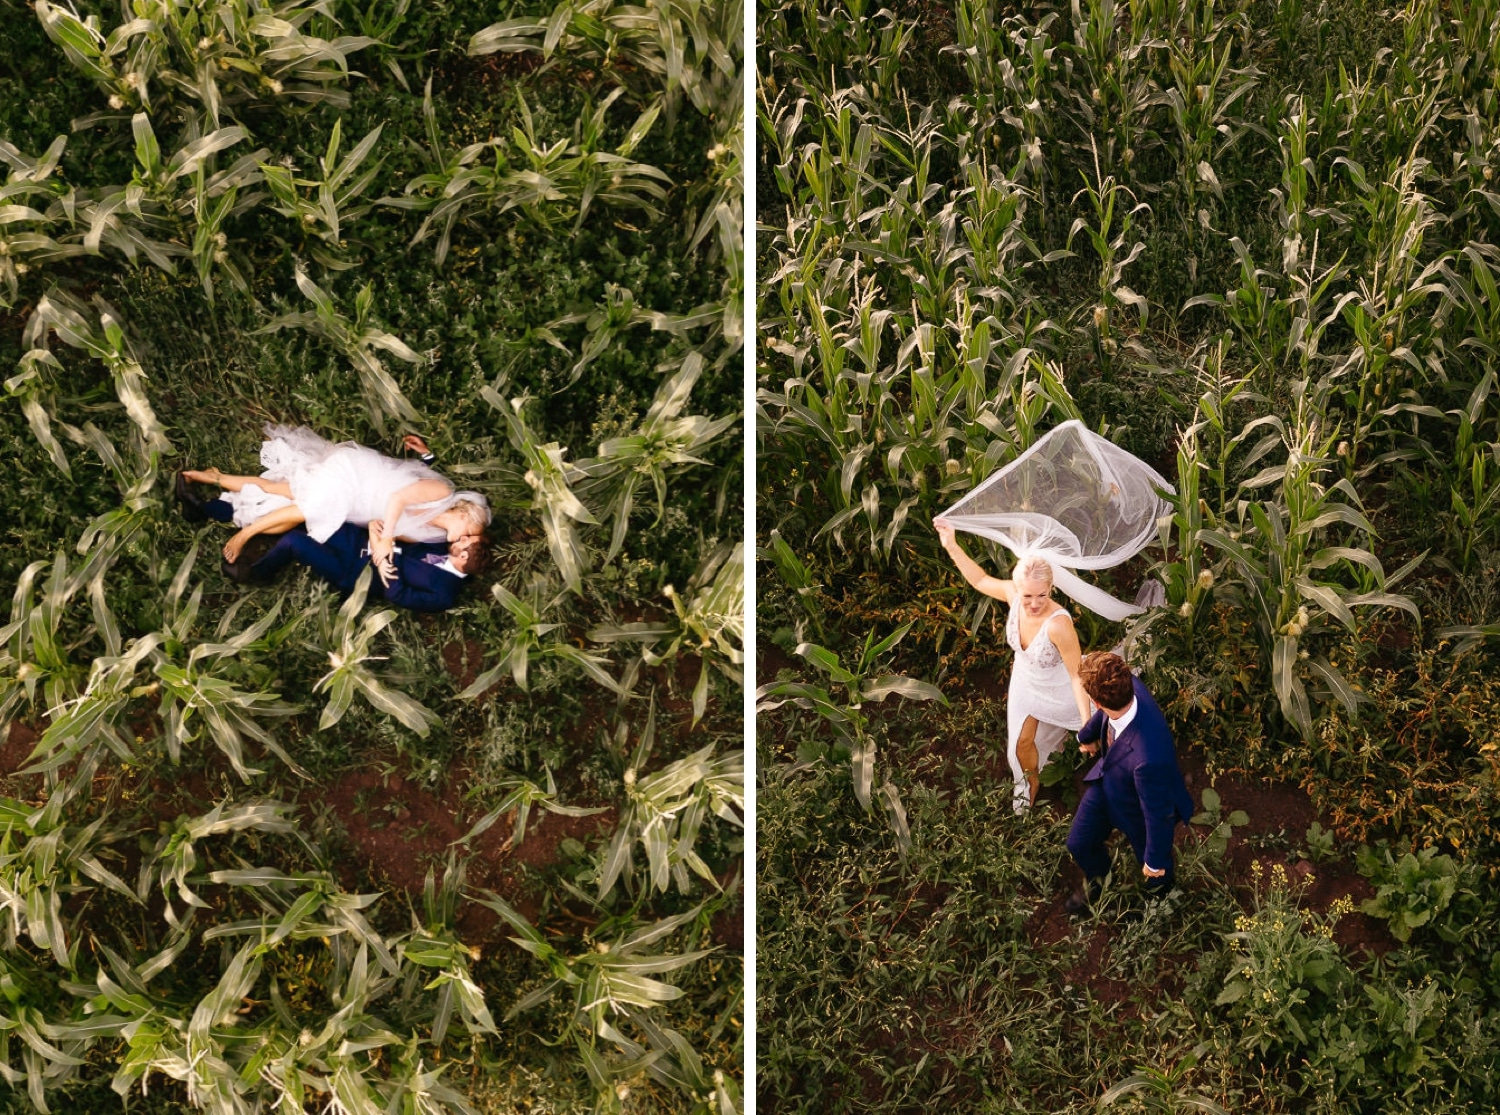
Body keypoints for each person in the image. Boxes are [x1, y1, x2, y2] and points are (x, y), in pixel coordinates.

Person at [175, 427, 490, 579]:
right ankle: (245, 534)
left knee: (281, 491)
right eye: (471, 530)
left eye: (469, 538)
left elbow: (376, 524)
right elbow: (398, 499)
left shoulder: (431, 536)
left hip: (357, 505)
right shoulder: (440, 493)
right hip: (356, 476)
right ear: (465, 512)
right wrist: (387, 538)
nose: (466, 537)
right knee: (308, 509)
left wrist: (381, 541)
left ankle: (202, 480)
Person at [935, 519, 1092, 813]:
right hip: (1024, 682)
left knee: (1096, 726)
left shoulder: (1058, 625)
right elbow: (981, 580)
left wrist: (1086, 721)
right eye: (1027, 596)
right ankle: (1030, 784)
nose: (1033, 604)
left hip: (1057, 685)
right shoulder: (1013, 597)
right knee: (1020, 745)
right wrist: (952, 546)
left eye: (1042, 595)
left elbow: (1076, 674)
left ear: (1051, 587)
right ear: (1018, 589)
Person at [1063, 651, 1195, 914]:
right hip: (1107, 785)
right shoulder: (1127, 686)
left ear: (1096, 702)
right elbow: (1106, 717)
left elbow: (1159, 814)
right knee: (1078, 843)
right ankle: (1098, 880)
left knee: (1156, 870)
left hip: (1138, 811)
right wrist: (1086, 736)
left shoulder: (1148, 759)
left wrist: (1155, 860)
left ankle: (1161, 902)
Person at [236, 519, 481, 612]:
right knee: (312, 515)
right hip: (361, 542)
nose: (460, 540)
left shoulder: (444, 594)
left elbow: (398, 594)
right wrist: (382, 535)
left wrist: (385, 557)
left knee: (295, 542)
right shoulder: (441, 548)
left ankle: (258, 573)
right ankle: (237, 514)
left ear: (464, 560)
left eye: (465, 544)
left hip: (354, 572)